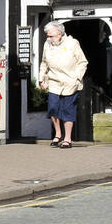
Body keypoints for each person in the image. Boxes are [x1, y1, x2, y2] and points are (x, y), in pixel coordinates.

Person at [38, 20, 87, 148]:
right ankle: (58, 134)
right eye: (47, 36)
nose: (49, 38)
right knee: (53, 109)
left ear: (59, 33)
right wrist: (41, 78)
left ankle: (67, 138)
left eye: (51, 36)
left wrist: (77, 78)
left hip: (70, 82)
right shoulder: (47, 44)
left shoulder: (72, 43)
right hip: (54, 81)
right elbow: (44, 62)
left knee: (67, 110)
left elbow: (83, 62)